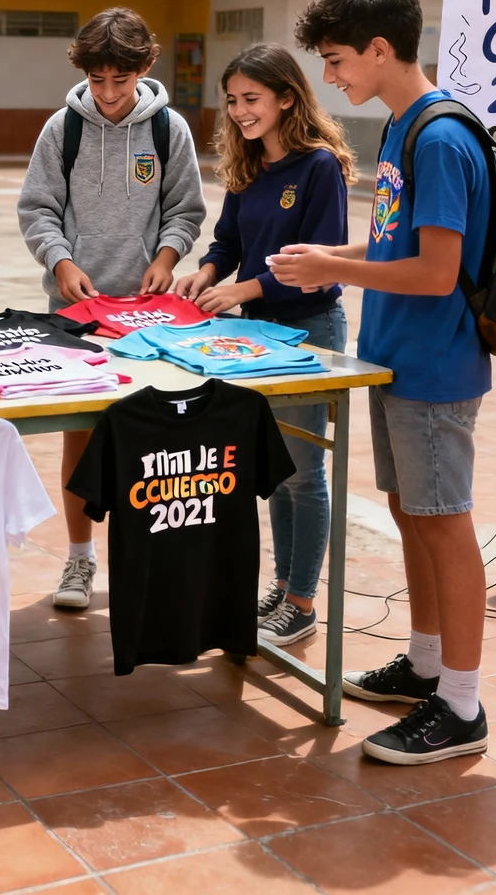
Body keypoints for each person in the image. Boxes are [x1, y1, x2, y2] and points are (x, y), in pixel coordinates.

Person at [273, 0, 492, 766]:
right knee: (410, 512)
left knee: (444, 521)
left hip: (436, 367)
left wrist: (338, 272)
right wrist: (330, 257)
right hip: (395, 356)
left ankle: (461, 706)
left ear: (378, 47)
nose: (329, 77)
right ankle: (426, 663)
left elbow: (438, 271)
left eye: (336, 61)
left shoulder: (438, 137)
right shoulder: (401, 129)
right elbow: (398, 247)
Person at [17, 7, 205, 611]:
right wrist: (61, 262)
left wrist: (169, 256)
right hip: (75, 312)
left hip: (151, 317)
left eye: (119, 82)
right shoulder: (61, 129)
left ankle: (146, 557)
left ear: (143, 69)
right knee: (80, 435)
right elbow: (37, 208)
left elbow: (185, 209)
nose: (107, 94)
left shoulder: (168, 130)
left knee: (150, 436)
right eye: (97, 82)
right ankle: (79, 560)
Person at [175, 43, 354, 649]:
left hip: (310, 332)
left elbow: (324, 264)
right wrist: (206, 273)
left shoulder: (318, 166)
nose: (240, 111)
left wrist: (245, 287)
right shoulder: (248, 167)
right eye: (232, 101)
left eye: (251, 99)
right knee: (276, 474)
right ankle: (283, 586)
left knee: (306, 474)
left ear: (286, 97)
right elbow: (227, 241)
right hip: (257, 335)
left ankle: (303, 600)